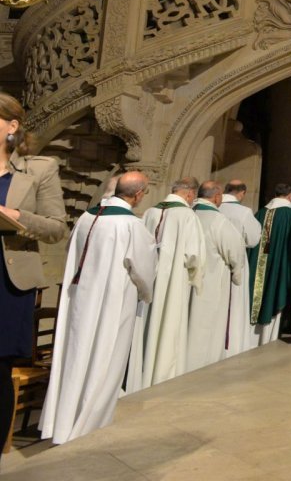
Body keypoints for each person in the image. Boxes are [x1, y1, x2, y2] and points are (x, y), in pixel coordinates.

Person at [40, 171, 156, 445]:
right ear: (138, 194)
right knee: (104, 359)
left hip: (80, 300)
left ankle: (63, 423)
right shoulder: (131, 225)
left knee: (76, 355)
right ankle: (88, 426)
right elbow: (143, 270)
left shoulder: (87, 216)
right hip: (111, 303)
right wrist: (146, 293)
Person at [0, 93, 67, 459]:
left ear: (12, 127)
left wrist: (13, 216)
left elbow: (57, 228)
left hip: (7, 282)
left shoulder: (38, 169)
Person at [130, 177, 205, 391]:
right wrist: (196, 277)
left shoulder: (151, 212)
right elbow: (194, 256)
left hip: (148, 277)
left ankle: (141, 374)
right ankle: (163, 377)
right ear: (190, 194)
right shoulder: (187, 215)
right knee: (168, 326)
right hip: (173, 283)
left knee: (147, 324)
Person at [186, 181, 245, 372]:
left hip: (183, 283)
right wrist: (237, 275)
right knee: (206, 326)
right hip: (209, 283)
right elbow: (235, 251)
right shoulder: (218, 221)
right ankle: (202, 366)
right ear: (217, 197)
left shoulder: (187, 214)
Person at [247, 183, 291, 346]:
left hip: (258, 267)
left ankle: (253, 337)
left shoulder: (260, 213)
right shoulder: (290, 215)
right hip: (278, 269)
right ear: (289, 196)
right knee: (276, 289)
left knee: (257, 293)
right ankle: (270, 338)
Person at [219, 179, 261, 354]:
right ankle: (233, 345)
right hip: (235, 259)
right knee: (234, 303)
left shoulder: (215, 207)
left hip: (213, 260)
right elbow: (253, 240)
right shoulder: (243, 212)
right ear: (242, 193)